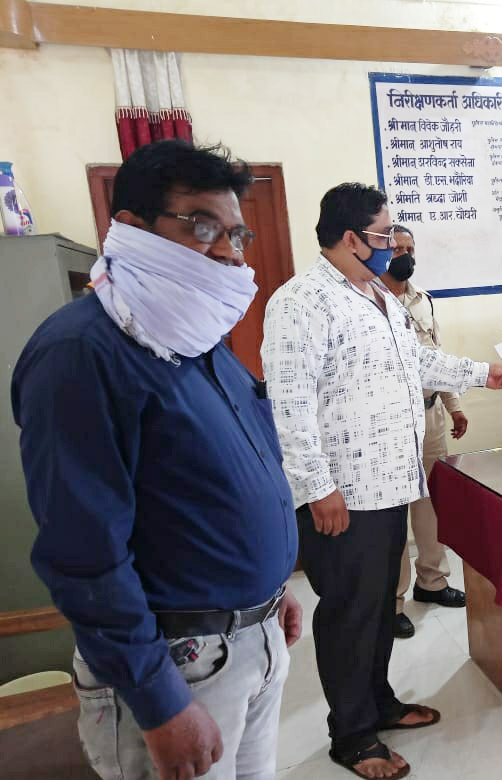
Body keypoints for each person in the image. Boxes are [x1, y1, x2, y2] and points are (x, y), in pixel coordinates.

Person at [11, 139, 303, 780]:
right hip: (176, 664)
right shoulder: (82, 354)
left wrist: (269, 590)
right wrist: (158, 700)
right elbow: (83, 552)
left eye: (236, 233)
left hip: (251, 638)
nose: (228, 250)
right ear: (132, 226)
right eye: (202, 226)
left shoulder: (197, 336)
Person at [261, 183, 502, 778]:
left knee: (377, 605)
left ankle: (378, 703)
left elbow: (417, 361)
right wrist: (318, 488)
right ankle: (350, 736)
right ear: (352, 238)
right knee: (348, 613)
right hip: (342, 492)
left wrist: (481, 373)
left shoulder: (377, 294)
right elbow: (288, 405)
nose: (390, 244)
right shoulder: (301, 301)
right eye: (383, 234)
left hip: (390, 481)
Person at [379, 225, 467, 640]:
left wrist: (455, 405)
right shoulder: (369, 303)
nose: (405, 256)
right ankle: (393, 601)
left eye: (409, 249)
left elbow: (437, 358)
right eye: (396, 249)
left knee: (432, 504)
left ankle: (432, 581)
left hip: (431, 418)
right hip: (391, 422)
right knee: (395, 513)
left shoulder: (423, 300)